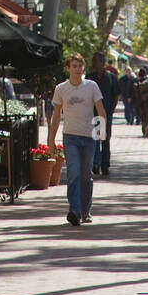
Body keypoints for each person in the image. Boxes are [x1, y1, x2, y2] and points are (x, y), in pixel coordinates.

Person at [47, 53, 107, 226]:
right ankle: (74, 210)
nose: (77, 70)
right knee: (73, 172)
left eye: (80, 66)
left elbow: (100, 110)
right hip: (70, 137)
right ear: (67, 68)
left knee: (85, 176)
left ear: (83, 68)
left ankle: (85, 210)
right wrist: (51, 140)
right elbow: (56, 115)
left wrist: (101, 133)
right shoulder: (61, 89)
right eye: (74, 66)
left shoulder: (92, 86)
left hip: (89, 138)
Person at [87, 51, 119, 178]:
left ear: (102, 62)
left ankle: (105, 164)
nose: (94, 63)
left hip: (106, 113)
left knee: (105, 139)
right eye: (93, 60)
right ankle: (95, 163)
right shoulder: (90, 78)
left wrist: (111, 108)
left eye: (96, 60)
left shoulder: (111, 77)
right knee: (95, 138)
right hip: (93, 113)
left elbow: (116, 94)